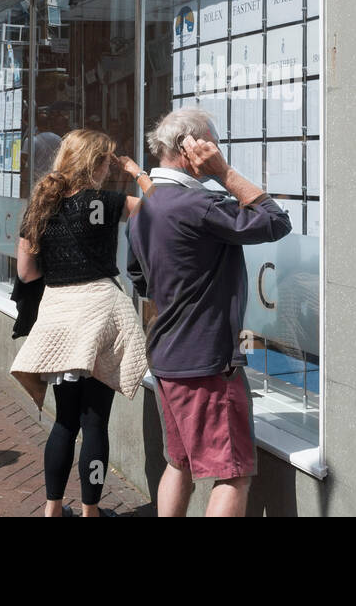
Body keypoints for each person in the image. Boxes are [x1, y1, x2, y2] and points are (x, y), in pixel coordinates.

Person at [126, 108, 293, 517]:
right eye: (212, 145)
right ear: (189, 147)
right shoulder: (196, 205)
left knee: (178, 463)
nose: (216, 152)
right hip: (205, 362)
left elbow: (139, 278)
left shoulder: (146, 207)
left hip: (167, 357)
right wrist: (224, 172)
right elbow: (275, 221)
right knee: (232, 474)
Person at [9, 130, 151, 517]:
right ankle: (91, 513)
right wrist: (137, 172)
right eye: (108, 161)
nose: (110, 168)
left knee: (65, 423)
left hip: (60, 319)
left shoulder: (41, 204)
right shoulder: (107, 201)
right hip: (102, 317)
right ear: (96, 164)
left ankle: (52, 510)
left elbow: (26, 272)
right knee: (96, 425)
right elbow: (161, 207)